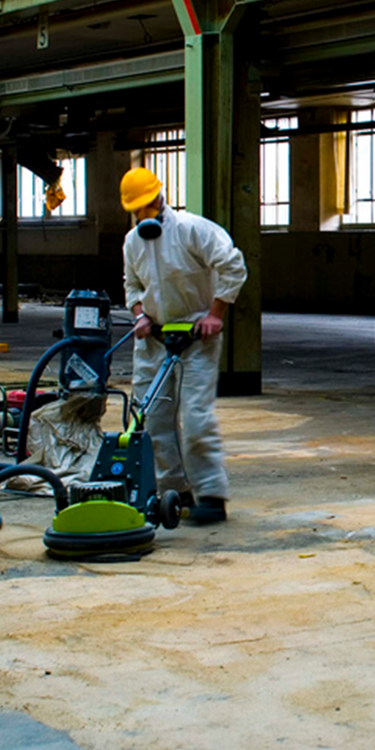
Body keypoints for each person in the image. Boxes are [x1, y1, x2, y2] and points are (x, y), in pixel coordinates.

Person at [119, 166, 247, 524]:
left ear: (161, 197)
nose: (144, 215)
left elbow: (233, 265)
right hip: (154, 341)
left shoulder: (194, 230)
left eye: (147, 205)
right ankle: (175, 492)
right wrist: (140, 314)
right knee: (151, 419)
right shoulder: (132, 243)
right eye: (136, 210)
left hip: (196, 338)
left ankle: (210, 495)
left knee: (194, 419)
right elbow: (131, 285)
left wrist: (216, 312)